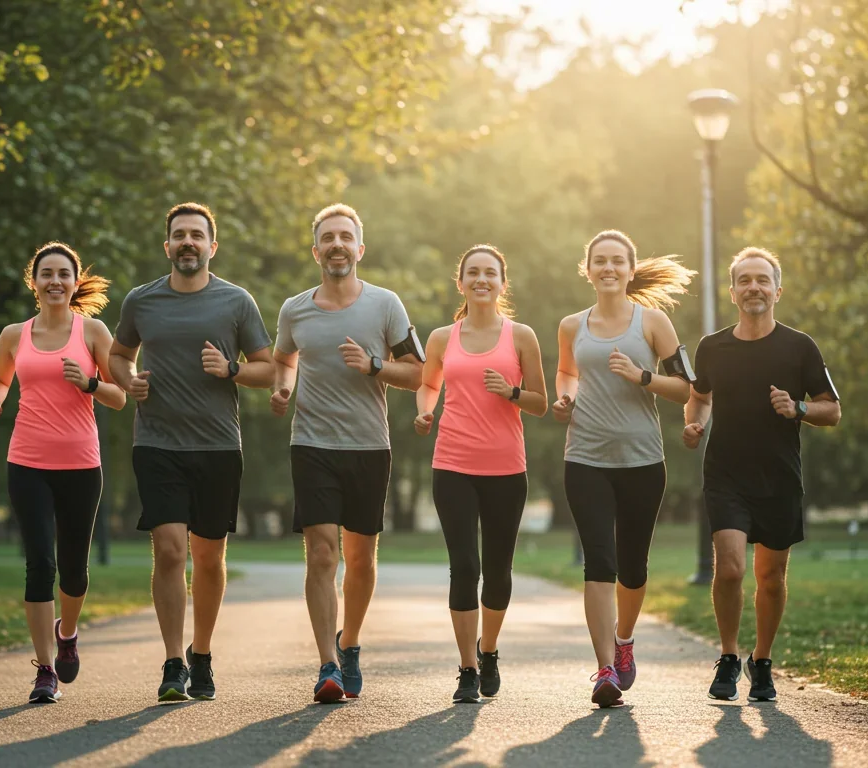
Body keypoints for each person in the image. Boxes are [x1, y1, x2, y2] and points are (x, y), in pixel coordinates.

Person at [109, 202, 274, 702]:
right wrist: (129, 380)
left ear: (211, 246)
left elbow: (267, 369)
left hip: (219, 445)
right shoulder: (142, 300)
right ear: (167, 246)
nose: (188, 242)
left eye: (196, 235)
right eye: (179, 235)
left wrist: (231, 371)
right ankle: (173, 662)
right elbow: (119, 355)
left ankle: (202, 652)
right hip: (157, 443)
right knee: (170, 551)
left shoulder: (237, 301)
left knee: (207, 557)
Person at [270, 203, 423, 703]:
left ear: (360, 248)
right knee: (321, 554)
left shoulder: (385, 304)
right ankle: (327, 666)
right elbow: (284, 359)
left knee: (360, 559)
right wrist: (283, 388)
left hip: (368, 445)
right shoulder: (295, 309)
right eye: (328, 238)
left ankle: (350, 642)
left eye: (345, 237)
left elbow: (418, 373)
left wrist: (374, 365)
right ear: (316, 250)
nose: (337, 245)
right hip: (311, 444)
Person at [683, 247, 840, 703]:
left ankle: (762, 660)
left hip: (779, 476)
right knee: (730, 570)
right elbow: (699, 395)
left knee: (770, 578)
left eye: (762, 280)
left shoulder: (800, 346)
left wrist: (799, 408)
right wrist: (694, 423)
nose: (754, 287)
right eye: (745, 280)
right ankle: (729, 657)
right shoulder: (712, 346)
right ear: (732, 292)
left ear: (777, 290)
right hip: (726, 473)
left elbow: (833, 410)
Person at [552, 230, 695, 708]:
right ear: (587, 269)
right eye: (600, 261)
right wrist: (564, 398)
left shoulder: (652, 323)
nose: (608, 268)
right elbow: (566, 372)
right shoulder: (572, 325)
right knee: (600, 560)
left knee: (632, 567)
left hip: (642, 460)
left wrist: (643, 377)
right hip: (585, 457)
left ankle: (625, 639)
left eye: (617, 261)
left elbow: (689, 389)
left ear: (630, 270)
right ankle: (604, 668)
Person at [0, 242, 127, 703]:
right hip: (27, 461)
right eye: (47, 273)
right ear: (34, 281)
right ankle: (45, 669)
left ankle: (68, 632)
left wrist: (88, 383)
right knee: (39, 563)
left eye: (64, 274)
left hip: (82, 465)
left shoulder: (93, 332)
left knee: (74, 572)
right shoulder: (13, 334)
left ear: (75, 281)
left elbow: (121, 396)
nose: (55, 282)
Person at [414, 245, 547, 703]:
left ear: (502, 283)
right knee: (464, 567)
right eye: (473, 272)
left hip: (507, 469)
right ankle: (468, 669)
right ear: (461, 282)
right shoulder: (440, 338)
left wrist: (510, 391)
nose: (482, 279)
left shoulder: (522, 336)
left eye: (491, 273)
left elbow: (541, 402)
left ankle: (488, 649)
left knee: (497, 570)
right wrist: (425, 412)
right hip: (452, 465)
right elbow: (429, 383)